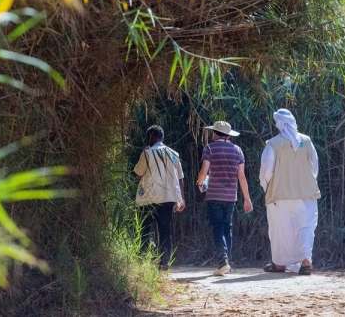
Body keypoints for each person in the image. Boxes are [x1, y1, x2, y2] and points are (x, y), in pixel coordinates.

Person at [259, 109, 320, 275]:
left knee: (281, 229)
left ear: (279, 123)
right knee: (306, 228)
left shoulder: (273, 144)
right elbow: (314, 166)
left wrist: (267, 187)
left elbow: (267, 170)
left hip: (280, 195)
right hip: (307, 194)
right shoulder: (306, 141)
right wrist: (306, 182)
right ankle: (306, 262)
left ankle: (279, 264)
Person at [196, 121, 253, 276]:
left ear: (214, 133)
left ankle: (223, 262)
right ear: (228, 135)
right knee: (227, 228)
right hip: (231, 197)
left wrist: (200, 183)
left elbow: (203, 172)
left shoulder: (209, 148)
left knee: (218, 228)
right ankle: (227, 262)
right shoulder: (238, 151)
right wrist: (247, 198)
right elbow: (241, 177)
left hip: (214, 195)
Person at [133, 125, 185, 271]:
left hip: (148, 199)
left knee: (144, 229)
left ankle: (143, 259)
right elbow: (181, 178)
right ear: (162, 137)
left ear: (151, 136)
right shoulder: (173, 154)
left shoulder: (147, 153)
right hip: (168, 198)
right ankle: (164, 263)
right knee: (165, 230)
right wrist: (182, 199)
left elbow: (138, 173)